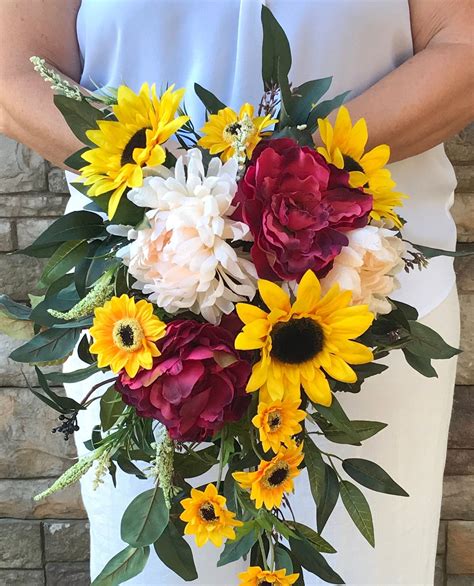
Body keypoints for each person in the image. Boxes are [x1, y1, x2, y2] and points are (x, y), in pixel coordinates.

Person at [0, 1, 472, 584]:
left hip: (366, 303)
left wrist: (285, 181)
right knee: (163, 572)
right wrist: (175, 194)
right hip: (144, 304)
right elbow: (15, 71)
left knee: (369, 567)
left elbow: (463, 46)